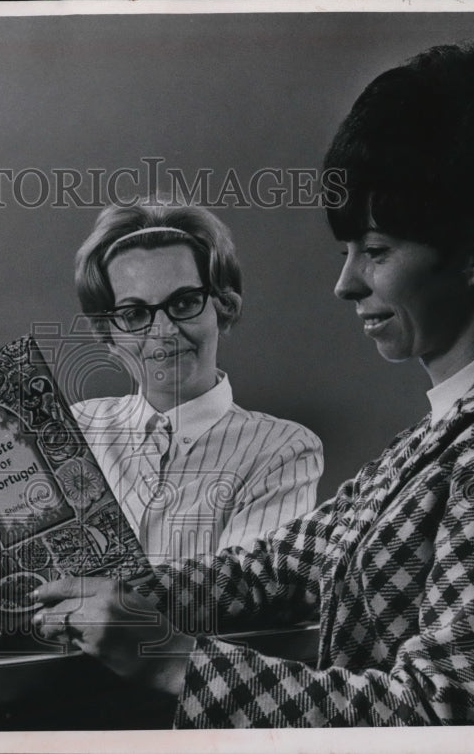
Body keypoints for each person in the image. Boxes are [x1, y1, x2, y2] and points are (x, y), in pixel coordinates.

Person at [32, 43, 474, 727]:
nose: (345, 283)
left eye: (375, 251)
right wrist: (114, 593)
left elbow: (442, 717)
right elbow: (278, 567)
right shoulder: (456, 426)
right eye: (348, 251)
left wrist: (169, 659)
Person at [69, 201, 323, 564]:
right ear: (107, 333)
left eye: (185, 302)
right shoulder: (74, 430)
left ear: (222, 306)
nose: (165, 331)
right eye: (135, 313)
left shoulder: (282, 450)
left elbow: (241, 595)